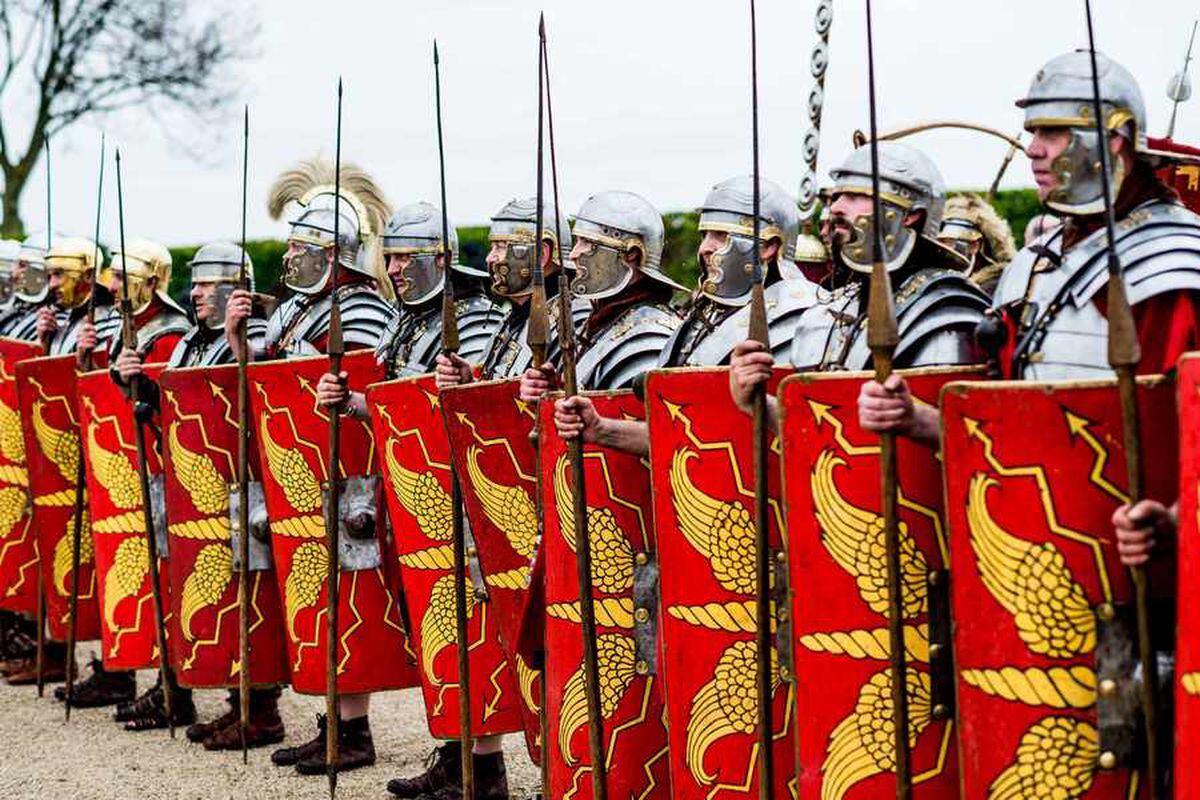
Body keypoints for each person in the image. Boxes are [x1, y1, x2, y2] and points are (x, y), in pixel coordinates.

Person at [851, 53, 1200, 568]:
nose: (1033, 150)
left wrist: (1176, 520)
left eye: (1053, 133)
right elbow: (1015, 431)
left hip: (1146, 584)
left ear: (1116, 138)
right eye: (1032, 131)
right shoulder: (1033, 267)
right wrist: (917, 419)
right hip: (1033, 555)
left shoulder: (1173, 264)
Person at [312, 200, 511, 799]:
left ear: (442, 260)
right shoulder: (407, 323)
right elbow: (402, 410)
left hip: (464, 497)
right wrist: (349, 401)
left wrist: (464, 384)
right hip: (416, 499)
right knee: (437, 625)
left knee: (469, 623)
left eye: (406, 258)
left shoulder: (473, 319)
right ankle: (455, 754)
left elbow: (483, 406)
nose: (394, 269)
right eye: (390, 257)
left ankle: (485, 766)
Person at [224, 157, 396, 777]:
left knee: (345, 603)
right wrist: (239, 336)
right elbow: (267, 383)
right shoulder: (299, 310)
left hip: (345, 479)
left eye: (302, 245)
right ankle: (332, 723)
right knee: (315, 603)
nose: (290, 256)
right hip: (300, 478)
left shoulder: (363, 309)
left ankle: (354, 730)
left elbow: (367, 386)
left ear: (333, 251)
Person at [109, 242, 287, 745]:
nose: (198, 292)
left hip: (242, 486)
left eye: (209, 284)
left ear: (235, 288)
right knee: (214, 593)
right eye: (197, 283)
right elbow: (172, 409)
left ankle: (261, 709)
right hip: (199, 491)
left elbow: (260, 390)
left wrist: (235, 336)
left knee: (249, 595)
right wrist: (132, 384)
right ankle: (237, 700)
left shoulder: (252, 334)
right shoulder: (188, 341)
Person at [723, 144, 989, 431]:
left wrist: (919, 421)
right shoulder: (827, 312)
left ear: (909, 214)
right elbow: (822, 434)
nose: (835, 207)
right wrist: (758, 404)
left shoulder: (947, 309)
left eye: (854, 196)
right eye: (836, 196)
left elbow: (977, 436)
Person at [553, 175, 817, 453]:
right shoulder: (699, 324)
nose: (704, 248)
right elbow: (679, 437)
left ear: (768, 246)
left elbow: (816, 434)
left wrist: (760, 403)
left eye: (720, 235)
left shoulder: (802, 316)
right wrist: (601, 429)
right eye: (704, 235)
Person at [518, 189, 682, 402]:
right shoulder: (600, 321)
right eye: (577, 241)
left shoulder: (652, 332)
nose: (574, 254)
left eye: (586, 242)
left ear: (631, 252)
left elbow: (643, 421)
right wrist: (554, 391)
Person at [937, 193, 1017, 294]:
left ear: (974, 246)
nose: (942, 248)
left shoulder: (998, 286)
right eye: (941, 242)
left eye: (949, 241)